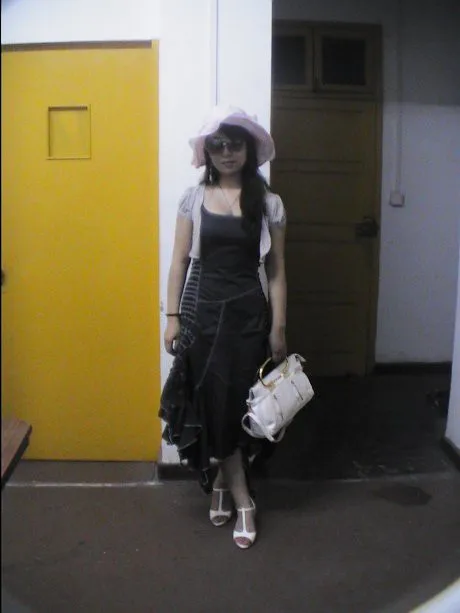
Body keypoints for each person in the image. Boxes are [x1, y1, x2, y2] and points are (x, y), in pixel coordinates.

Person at [159, 105, 287, 549]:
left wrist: (278, 328)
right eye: (218, 145)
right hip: (203, 316)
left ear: (248, 149)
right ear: (207, 152)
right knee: (212, 405)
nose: (227, 152)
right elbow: (178, 262)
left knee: (239, 407)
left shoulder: (268, 203)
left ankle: (223, 485)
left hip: (249, 318)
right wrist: (172, 317)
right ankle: (242, 499)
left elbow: (276, 272)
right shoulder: (192, 199)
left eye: (235, 144)